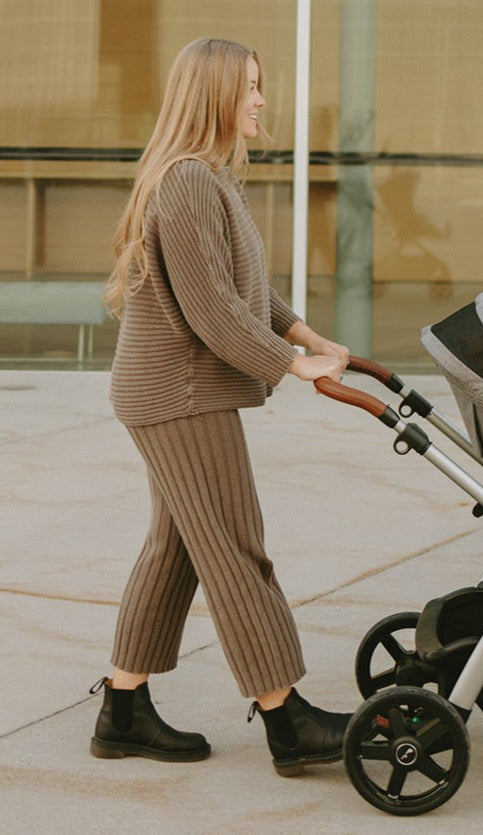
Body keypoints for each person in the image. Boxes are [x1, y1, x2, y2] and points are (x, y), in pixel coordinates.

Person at [90, 36, 352, 777]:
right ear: (213, 97)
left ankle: (123, 706)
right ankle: (286, 716)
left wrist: (302, 332)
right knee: (236, 547)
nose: (261, 100)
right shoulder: (187, 184)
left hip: (167, 391)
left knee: (176, 547)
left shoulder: (207, 179)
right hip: (179, 395)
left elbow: (245, 289)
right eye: (250, 87)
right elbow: (210, 310)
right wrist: (290, 365)